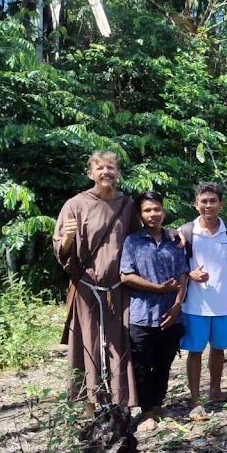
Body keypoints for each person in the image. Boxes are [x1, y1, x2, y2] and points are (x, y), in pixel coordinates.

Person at [54, 150, 137, 415]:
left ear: (118, 173)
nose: (106, 173)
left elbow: (141, 239)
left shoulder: (127, 205)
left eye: (111, 168)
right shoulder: (76, 204)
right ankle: (89, 405)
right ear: (91, 174)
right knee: (88, 344)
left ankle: (120, 403)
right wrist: (67, 239)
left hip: (119, 288)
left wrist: (173, 234)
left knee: (119, 343)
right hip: (87, 288)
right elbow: (62, 251)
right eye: (100, 168)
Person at [119, 191, 189, 431]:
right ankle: (146, 411)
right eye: (147, 210)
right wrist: (157, 288)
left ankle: (159, 405)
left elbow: (183, 273)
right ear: (140, 215)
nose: (153, 214)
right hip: (141, 315)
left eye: (156, 209)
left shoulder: (175, 241)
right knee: (141, 364)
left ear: (163, 211)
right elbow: (126, 275)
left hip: (171, 313)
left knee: (164, 362)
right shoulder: (132, 242)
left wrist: (177, 303)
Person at [180, 182, 227, 416]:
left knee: (219, 349)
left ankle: (215, 391)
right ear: (196, 204)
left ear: (221, 204)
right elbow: (177, 265)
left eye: (213, 201)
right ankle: (195, 398)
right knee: (195, 350)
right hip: (194, 304)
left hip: (223, 302)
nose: (208, 206)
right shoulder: (186, 232)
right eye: (204, 201)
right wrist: (191, 274)